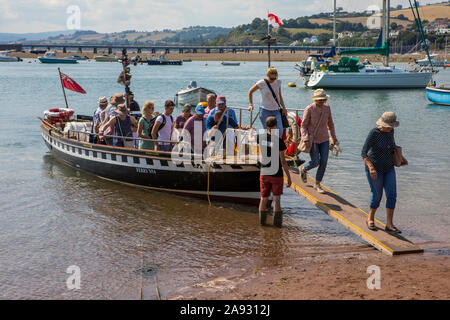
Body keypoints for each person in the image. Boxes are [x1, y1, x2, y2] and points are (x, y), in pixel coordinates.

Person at [361, 112, 407, 233]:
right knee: (377, 195)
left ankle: (390, 224)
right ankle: (370, 218)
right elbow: (364, 152)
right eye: (389, 126)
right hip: (374, 169)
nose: (390, 128)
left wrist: (401, 158)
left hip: (389, 167)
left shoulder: (391, 131)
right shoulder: (374, 133)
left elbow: (392, 146)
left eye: (392, 126)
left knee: (392, 195)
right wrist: (371, 167)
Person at [299, 89, 338, 194]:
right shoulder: (309, 109)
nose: (321, 101)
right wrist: (305, 138)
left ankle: (317, 184)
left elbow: (331, 124)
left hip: (325, 139)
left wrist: (334, 138)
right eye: (319, 99)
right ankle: (304, 169)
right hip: (313, 140)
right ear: (315, 99)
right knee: (315, 161)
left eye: (323, 99)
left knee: (324, 162)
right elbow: (303, 126)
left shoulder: (327, 108)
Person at [257, 116, 291, 228]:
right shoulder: (279, 141)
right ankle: (277, 226)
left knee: (263, 198)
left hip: (264, 172)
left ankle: (262, 224)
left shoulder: (260, 138)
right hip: (276, 174)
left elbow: (251, 139)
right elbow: (283, 161)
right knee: (276, 200)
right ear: (276, 126)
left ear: (266, 126)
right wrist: (289, 177)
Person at [248, 67, 287, 136]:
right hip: (265, 110)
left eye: (275, 78)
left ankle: (276, 146)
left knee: (280, 131)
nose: (273, 80)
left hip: (276, 110)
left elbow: (279, 96)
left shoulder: (278, 82)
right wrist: (251, 104)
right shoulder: (261, 83)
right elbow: (250, 92)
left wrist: (284, 107)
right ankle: (269, 146)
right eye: (271, 79)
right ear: (267, 76)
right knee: (269, 132)